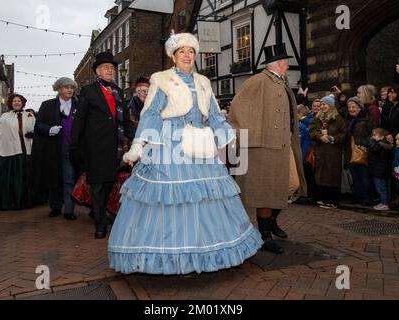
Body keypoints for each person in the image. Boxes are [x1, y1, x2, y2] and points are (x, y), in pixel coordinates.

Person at [108, 32, 262, 275]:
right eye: (182, 51)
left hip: (199, 144)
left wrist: (229, 136)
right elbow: (151, 114)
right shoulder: (162, 79)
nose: (187, 55)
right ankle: (168, 257)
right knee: (168, 196)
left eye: (191, 51)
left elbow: (212, 114)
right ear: (174, 55)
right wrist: (139, 145)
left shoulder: (203, 81)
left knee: (205, 196)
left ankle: (204, 253)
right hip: (169, 143)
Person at [228, 42, 307, 254]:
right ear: (277, 63)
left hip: (284, 145)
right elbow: (237, 109)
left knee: (292, 184)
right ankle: (264, 235)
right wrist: (249, 137)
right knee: (265, 192)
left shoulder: (281, 82)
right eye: (285, 62)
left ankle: (271, 220)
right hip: (263, 147)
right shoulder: (258, 81)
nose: (288, 65)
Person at [70, 52, 135, 239]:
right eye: (106, 67)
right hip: (95, 147)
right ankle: (100, 222)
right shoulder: (88, 91)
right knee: (97, 185)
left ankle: (98, 211)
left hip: (114, 147)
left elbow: (124, 120)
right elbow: (80, 119)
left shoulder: (118, 91)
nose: (110, 70)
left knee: (108, 184)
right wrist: (74, 144)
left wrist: (137, 138)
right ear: (98, 71)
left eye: (112, 68)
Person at [31, 77, 79, 220]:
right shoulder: (47, 105)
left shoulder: (79, 105)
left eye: (71, 87)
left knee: (69, 179)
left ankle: (69, 210)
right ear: (59, 89)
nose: (69, 90)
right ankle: (55, 206)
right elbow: (38, 125)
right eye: (66, 87)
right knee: (53, 178)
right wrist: (49, 129)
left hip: (71, 149)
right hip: (52, 148)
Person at [0, 94, 35, 210]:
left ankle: (26, 200)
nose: (17, 103)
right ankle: (8, 201)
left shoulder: (30, 115)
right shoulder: (5, 116)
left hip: (25, 151)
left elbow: (36, 128)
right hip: (9, 150)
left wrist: (33, 134)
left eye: (19, 101)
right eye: (14, 101)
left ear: (22, 103)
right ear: (11, 103)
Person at [309, 95, 346, 209]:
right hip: (320, 151)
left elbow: (343, 134)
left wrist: (332, 138)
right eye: (321, 104)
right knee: (321, 175)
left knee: (331, 175)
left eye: (324, 104)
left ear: (330, 105)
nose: (322, 106)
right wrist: (320, 137)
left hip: (333, 152)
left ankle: (332, 201)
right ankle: (323, 198)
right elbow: (312, 130)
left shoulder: (338, 118)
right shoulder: (317, 118)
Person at [344, 96, 375, 206]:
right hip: (351, 151)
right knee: (355, 176)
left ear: (360, 107)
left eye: (354, 107)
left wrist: (364, 144)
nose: (351, 109)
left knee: (364, 176)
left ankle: (367, 198)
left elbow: (373, 134)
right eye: (349, 107)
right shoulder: (348, 120)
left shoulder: (367, 118)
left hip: (363, 151)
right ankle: (357, 196)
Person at [367, 128, 393, 211]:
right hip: (378, 169)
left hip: (380, 169)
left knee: (381, 187)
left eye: (375, 135)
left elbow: (376, 150)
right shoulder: (381, 144)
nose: (372, 137)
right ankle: (383, 202)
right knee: (380, 187)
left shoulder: (382, 144)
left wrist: (376, 141)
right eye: (372, 135)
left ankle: (385, 204)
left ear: (382, 136)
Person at [127, 76, 150, 141]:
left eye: (148, 91)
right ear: (137, 93)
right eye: (143, 91)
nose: (146, 93)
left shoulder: (151, 105)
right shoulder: (131, 107)